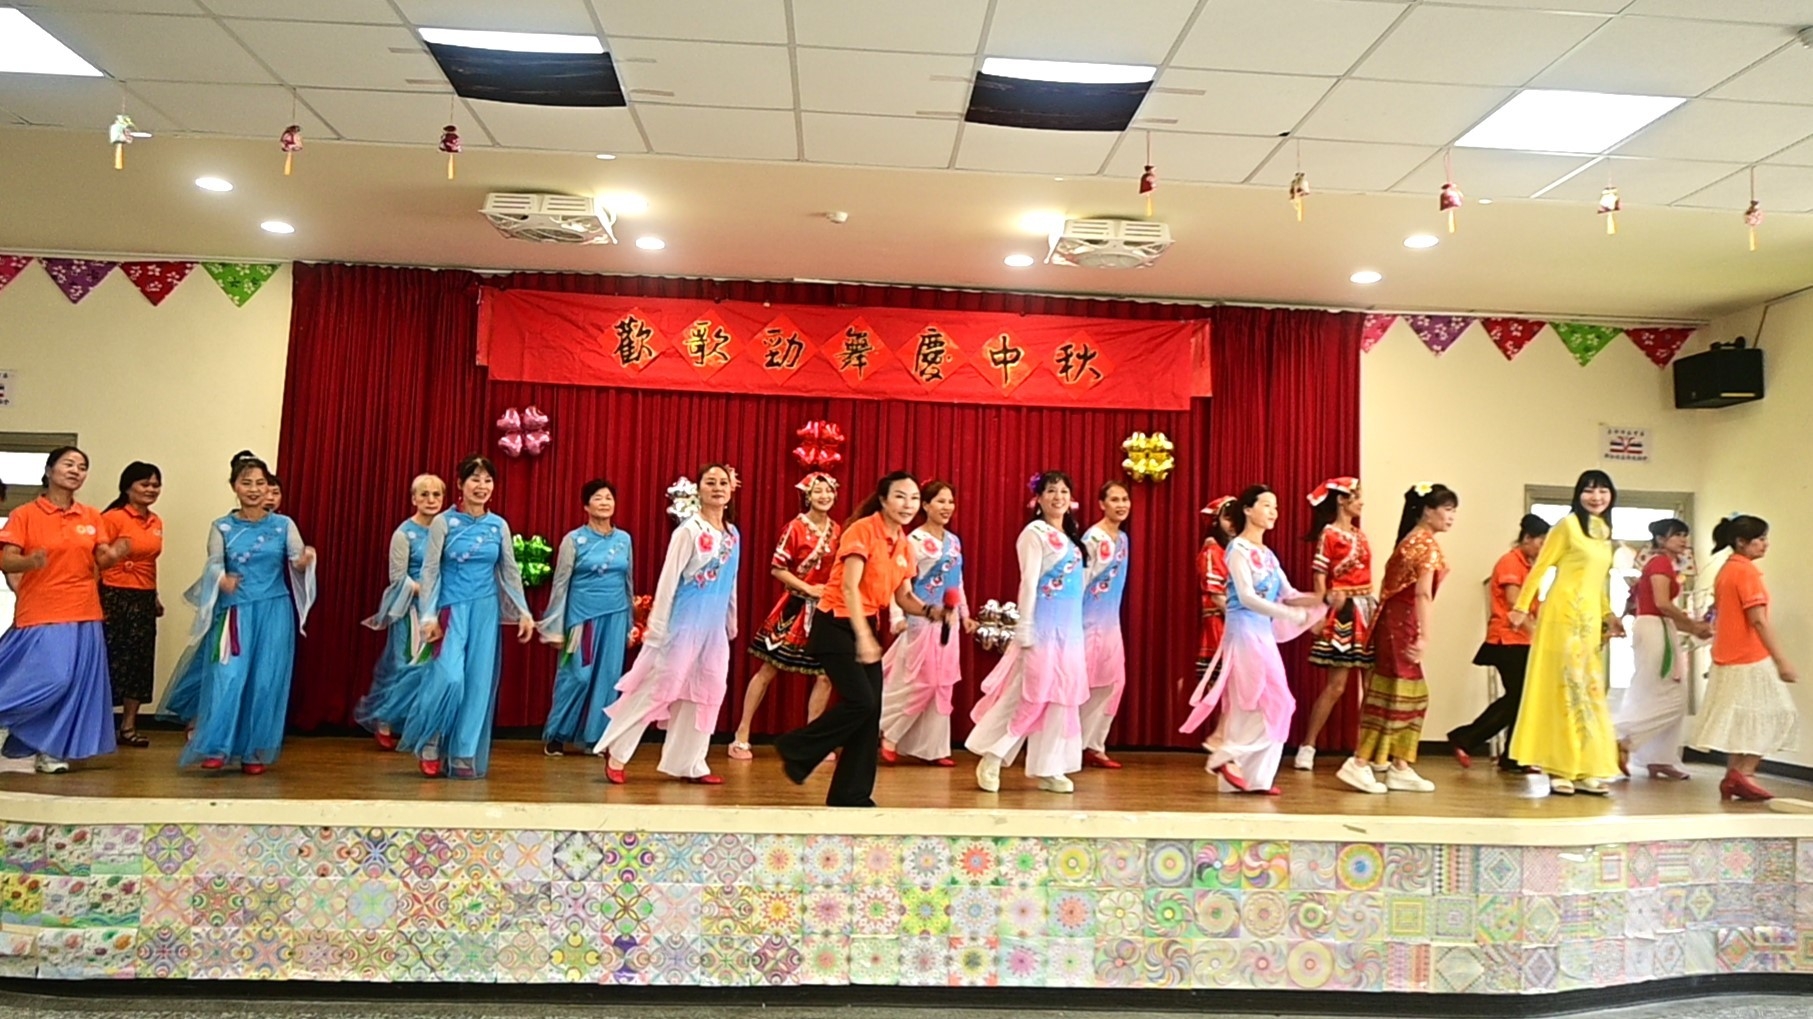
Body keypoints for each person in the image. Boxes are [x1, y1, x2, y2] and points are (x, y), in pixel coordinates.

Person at [776, 471, 946, 806]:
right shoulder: (862, 530)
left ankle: (850, 794)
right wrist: (865, 637)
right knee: (861, 702)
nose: (908, 504)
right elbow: (849, 587)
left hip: (864, 624)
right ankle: (795, 746)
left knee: (870, 714)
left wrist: (932, 611)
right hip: (836, 624)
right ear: (883, 499)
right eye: (900, 496)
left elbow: (904, 597)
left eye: (914, 498)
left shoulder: (903, 544)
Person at [163, 451, 316, 774]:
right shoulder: (221, 526)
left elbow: (296, 559)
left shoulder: (283, 525)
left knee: (265, 682)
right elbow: (214, 562)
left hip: (273, 612)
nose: (255, 489)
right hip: (234, 614)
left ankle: (253, 752)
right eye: (247, 483)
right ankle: (216, 746)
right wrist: (221, 579)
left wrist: (305, 561)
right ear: (234, 486)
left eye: (261, 483)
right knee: (228, 677)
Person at [594, 465, 740, 785]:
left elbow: (730, 582)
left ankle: (690, 763)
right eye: (710, 482)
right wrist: (657, 626)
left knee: (707, 690)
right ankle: (617, 749)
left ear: (731, 490)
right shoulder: (689, 531)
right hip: (684, 625)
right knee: (659, 687)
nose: (717, 488)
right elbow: (669, 579)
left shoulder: (732, 535)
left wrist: (731, 619)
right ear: (699, 489)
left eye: (723, 483)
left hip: (713, 629)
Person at [1181, 485, 1325, 795]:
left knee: (1268, 704)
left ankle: (1251, 778)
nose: (1273, 511)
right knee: (1267, 701)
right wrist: (1289, 615)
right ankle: (1227, 756)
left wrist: (1321, 599)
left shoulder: (1268, 555)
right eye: (1267, 505)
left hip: (1262, 634)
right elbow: (1246, 597)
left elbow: (1289, 594)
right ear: (1248, 509)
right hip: (1244, 632)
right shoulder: (1238, 549)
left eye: (1276, 506)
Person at [401, 454, 531, 779]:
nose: (481, 486)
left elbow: (510, 572)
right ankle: (431, 739)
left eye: (488, 480)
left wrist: (524, 611)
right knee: (449, 677)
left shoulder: (498, 525)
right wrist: (428, 615)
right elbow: (430, 571)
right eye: (475, 479)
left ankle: (463, 752)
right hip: (450, 609)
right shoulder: (443, 523)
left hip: (485, 611)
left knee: (477, 683)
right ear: (460, 484)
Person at [0, 447, 127, 773]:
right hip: (43, 611)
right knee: (54, 679)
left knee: (73, 689)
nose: (75, 470)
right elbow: (6, 559)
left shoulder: (91, 516)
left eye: (82, 466)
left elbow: (100, 557)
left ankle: (50, 750)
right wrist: (29, 562)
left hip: (85, 611)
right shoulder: (25, 514)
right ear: (49, 470)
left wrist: (112, 556)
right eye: (68, 464)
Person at [966, 471, 1091, 794]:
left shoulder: (1072, 540)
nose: (1058, 497)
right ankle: (993, 756)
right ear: (1038, 498)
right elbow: (1029, 582)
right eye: (1051, 491)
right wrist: (1024, 627)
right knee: (1030, 697)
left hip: (1069, 634)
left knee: (1062, 699)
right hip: (1042, 630)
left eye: (1064, 491)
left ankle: (1050, 767)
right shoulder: (1034, 533)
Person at [1508, 470, 1622, 797]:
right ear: (1578, 495)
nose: (1596, 497)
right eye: (1589, 491)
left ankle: (1584, 768)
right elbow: (1540, 567)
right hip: (1563, 615)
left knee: (1588, 691)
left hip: (1588, 622)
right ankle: (1558, 768)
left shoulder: (1604, 532)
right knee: (1563, 689)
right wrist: (1521, 607)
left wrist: (1608, 614)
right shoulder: (1567, 526)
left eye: (1603, 490)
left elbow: (1598, 582)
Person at [1338, 484, 1457, 794]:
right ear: (1428, 510)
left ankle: (1400, 766)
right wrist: (1425, 635)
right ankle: (1360, 762)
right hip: (1401, 626)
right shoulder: (1425, 545)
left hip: (1395, 624)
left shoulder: (1411, 540)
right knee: (1398, 696)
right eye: (1447, 509)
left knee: (1401, 695)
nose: (1451, 516)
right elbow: (1422, 595)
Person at [729, 473, 841, 760]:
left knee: (826, 676)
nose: (824, 496)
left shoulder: (837, 530)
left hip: (825, 609)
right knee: (769, 669)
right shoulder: (794, 528)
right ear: (808, 496)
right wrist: (807, 588)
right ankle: (742, 733)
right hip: (794, 607)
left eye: (828, 491)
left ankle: (813, 740)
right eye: (818, 491)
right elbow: (777, 568)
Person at [1691, 514, 1799, 802]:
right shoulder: (1746, 573)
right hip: (1749, 655)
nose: (1766, 544)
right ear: (1741, 542)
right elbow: (1758, 620)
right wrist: (1781, 661)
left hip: (1728, 654)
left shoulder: (1727, 570)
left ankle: (1734, 776)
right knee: (1778, 712)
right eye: (1760, 539)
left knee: (1743, 717)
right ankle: (1745, 773)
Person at [878, 480, 974, 766]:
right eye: (940, 501)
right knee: (923, 681)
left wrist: (965, 615)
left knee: (943, 684)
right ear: (925, 505)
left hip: (948, 621)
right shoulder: (913, 541)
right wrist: (897, 618)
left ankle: (933, 749)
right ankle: (889, 733)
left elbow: (956, 583)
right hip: (921, 619)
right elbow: (898, 583)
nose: (947, 507)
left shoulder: (954, 542)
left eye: (950, 501)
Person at [537, 479, 634, 754]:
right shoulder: (573, 540)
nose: (604, 502)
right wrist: (555, 626)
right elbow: (560, 584)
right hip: (582, 618)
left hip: (616, 615)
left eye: (608, 498)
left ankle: (597, 738)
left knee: (609, 678)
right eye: (598, 498)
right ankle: (558, 734)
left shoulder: (624, 539)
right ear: (586, 506)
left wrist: (630, 625)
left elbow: (628, 582)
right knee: (577, 676)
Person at [1447, 514, 1550, 773]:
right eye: (1541, 543)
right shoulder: (1510, 562)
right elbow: (1515, 602)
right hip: (1507, 638)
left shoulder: (1530, 567)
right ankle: (1467, 738)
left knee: (1521, 698)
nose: (1543, 549)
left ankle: (1512, 756)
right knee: (1519, 696)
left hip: (1521, 639)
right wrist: (1534, 631)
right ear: (1527, 538)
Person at [1615, 518, 1711, 781]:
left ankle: (1659, 758)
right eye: (1677, 535)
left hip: (1658, 627)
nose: (1683, 540)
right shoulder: (1660, 563)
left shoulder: (1663, 564)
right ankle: (1625, 740)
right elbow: (1662, 603)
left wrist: (1690, 627)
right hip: (1655, 628)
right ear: (1660, 539)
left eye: (1684, 535)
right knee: (1672, 697)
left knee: (1657, 691)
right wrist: (1693, 625)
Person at [354, 474, 445, 749]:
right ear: (413, 498)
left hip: (441, 609)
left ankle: (419, 724)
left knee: (433, 668)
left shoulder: (447, 530)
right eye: (424, 494)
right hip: (412, 611)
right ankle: (384, 718)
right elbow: (398, 579)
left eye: (436, 494)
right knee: (406, 665)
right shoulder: (404, 534)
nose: (431, 500)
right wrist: (427, 592)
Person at [1295, 478, 1374, 772]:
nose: (1361, 502)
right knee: (1337, 686)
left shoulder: (1360, 535)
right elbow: (1319, 576)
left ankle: (1363, 751)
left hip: (1367, 608)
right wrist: (1324, 602)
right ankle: (1308, 744)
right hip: (1344, 611)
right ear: (1342, 500)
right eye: (1356, 496)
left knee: (1370, 686)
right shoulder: (1328, 534)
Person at [99, 461, 164, 747]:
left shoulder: (156, 521)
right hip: (112, 594)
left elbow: (150, 563)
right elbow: (95, 560)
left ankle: (128, 726)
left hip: (144, 596)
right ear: (128, 487)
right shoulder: (112, 517)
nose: (151, 489)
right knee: (109, 659)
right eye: (144, 484)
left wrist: (155, 596)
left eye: (155, 485)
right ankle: (99, 725)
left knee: (139, 661)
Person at [1078, 480, 1132, 769]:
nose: (1121, 505)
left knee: (1113, 683)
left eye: (1124, 499)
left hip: (1110, 623)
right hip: (1087, 622)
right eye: (1114, 499)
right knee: (1083, 683)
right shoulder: (1094, 538)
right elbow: (1081, 581)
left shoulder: (1122, 539)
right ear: (1102, 504)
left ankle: (1094, 744)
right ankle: (1067, 744)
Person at [1194, 496, 1236, 684]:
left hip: (1234, 617)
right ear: (1216, 521)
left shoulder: (1236, 549)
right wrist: (1241, 619)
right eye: (1227, 518)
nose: (1233, 524)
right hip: (1221, 620)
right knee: (1222, 683)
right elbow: (1217, 596)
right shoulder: (1212, 551)